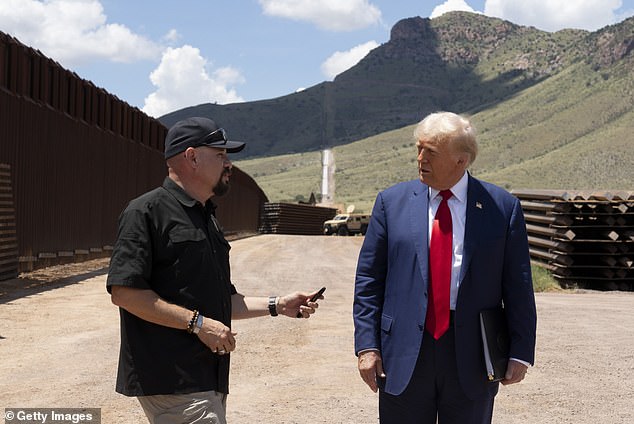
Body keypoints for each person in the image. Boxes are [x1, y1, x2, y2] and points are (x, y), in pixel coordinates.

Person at [106, 116, 324, 424]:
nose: (229, 164)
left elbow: (221, 301)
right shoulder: (146, 212)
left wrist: (278, 305)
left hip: (206, 375)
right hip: (172, 377)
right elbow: (125, 293)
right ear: (192, 157)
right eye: (220, 155)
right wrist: (198, 324)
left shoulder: (206, 217)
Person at [353, 111, 537, 424]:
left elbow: (518, 284)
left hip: (472, 354)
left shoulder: (502, 208)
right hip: (404, 353)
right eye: (418, 149)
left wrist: (520, 350)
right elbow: (369, 280)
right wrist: (367, 346)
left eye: (431, 152)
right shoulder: (390, 203)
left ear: (461, 161)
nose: (420, 158)